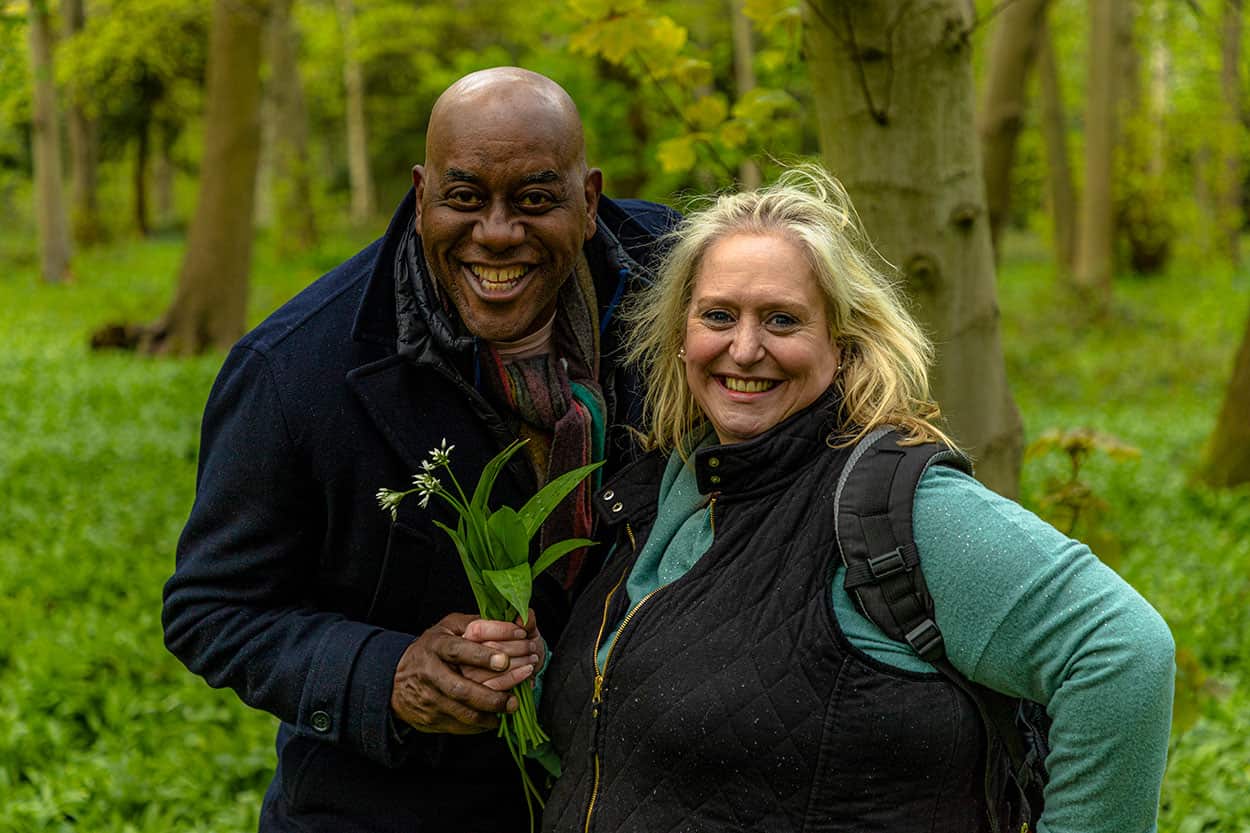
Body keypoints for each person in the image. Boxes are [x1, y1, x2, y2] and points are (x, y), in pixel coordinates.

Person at [536, 164, 1175, 833]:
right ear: (681, 333)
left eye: (782, 319)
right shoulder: (660, 487)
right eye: (718, 315)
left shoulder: (894, 505)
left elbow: (1122, 653)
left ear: (841, 343)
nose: (745, 348)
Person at [161, 67, 677, 832]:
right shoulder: (296, 368)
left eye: (535, 200)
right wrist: (385, 674)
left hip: (627, 798)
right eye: (465, 198)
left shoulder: (678, 278)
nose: (497, 232)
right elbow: (210, 608)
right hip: (382, 808)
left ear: (591, 198)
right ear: (422, 191)